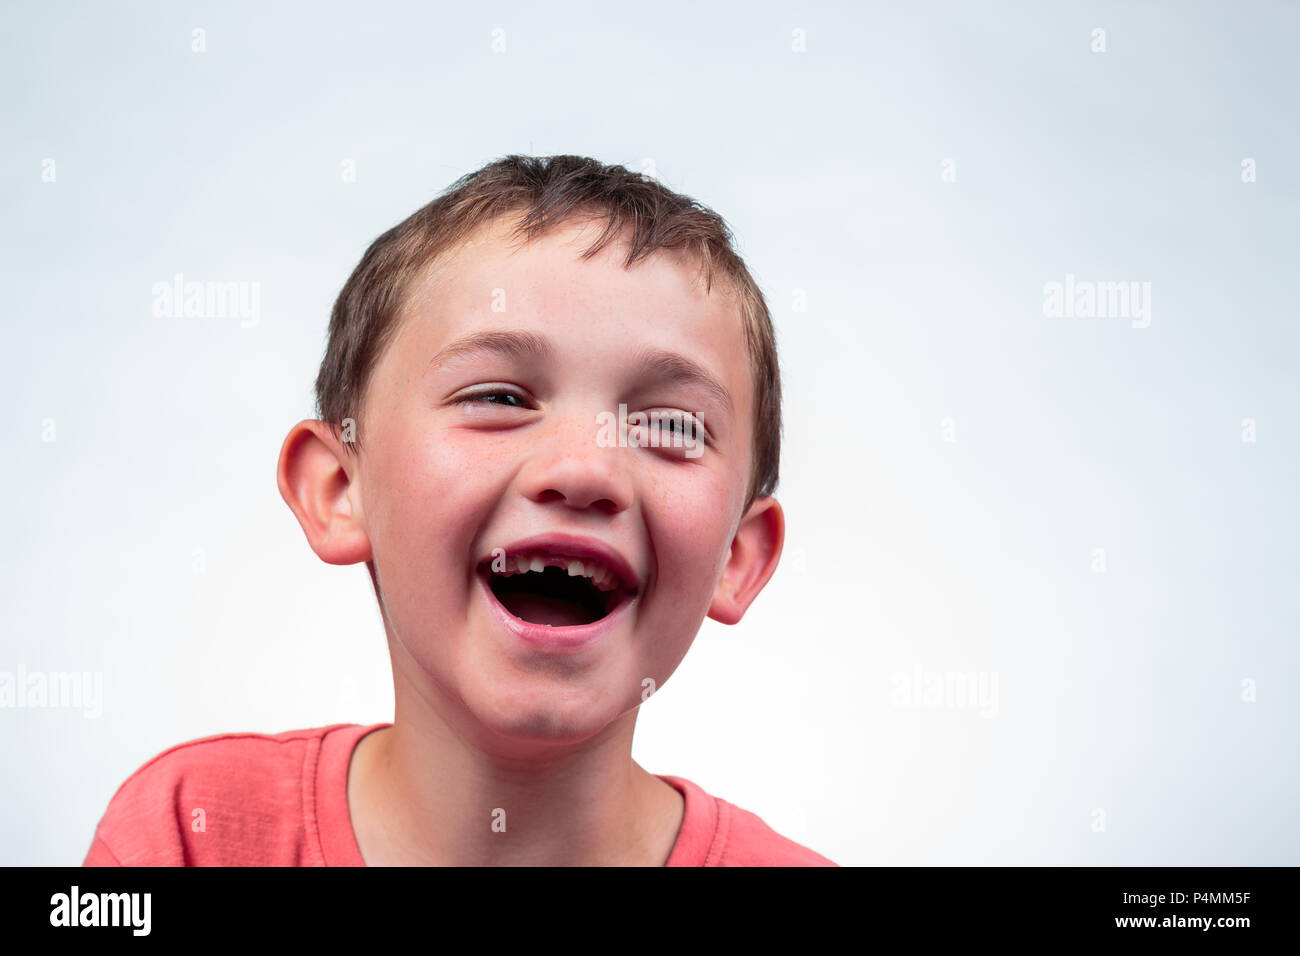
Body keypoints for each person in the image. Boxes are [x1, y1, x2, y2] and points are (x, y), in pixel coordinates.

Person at [83, 155, 836, 866]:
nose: (583, 468)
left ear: (737, 557)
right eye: (499, 398)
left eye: (671, 427)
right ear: (342, 489)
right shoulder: (188, 833)